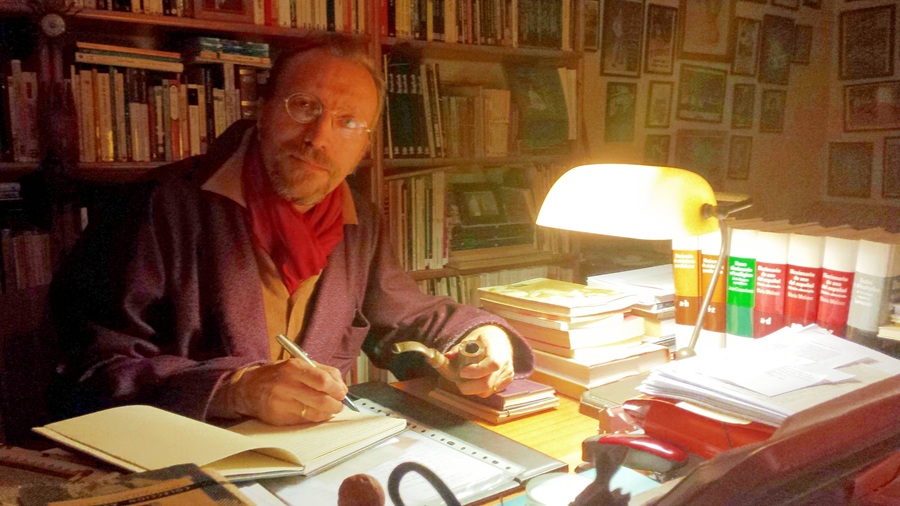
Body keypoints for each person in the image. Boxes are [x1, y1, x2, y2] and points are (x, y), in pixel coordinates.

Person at [49, 33, 532, 427]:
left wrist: (482, 335)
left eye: (348, 122)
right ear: (262, 111)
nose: (318, 138)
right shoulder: (156, 205)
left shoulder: (360, 221)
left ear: (365, 149)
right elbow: (90, 370)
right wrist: (233, 390)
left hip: (312, 462)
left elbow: (402, 312)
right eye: (303, 106)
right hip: (184, 465)